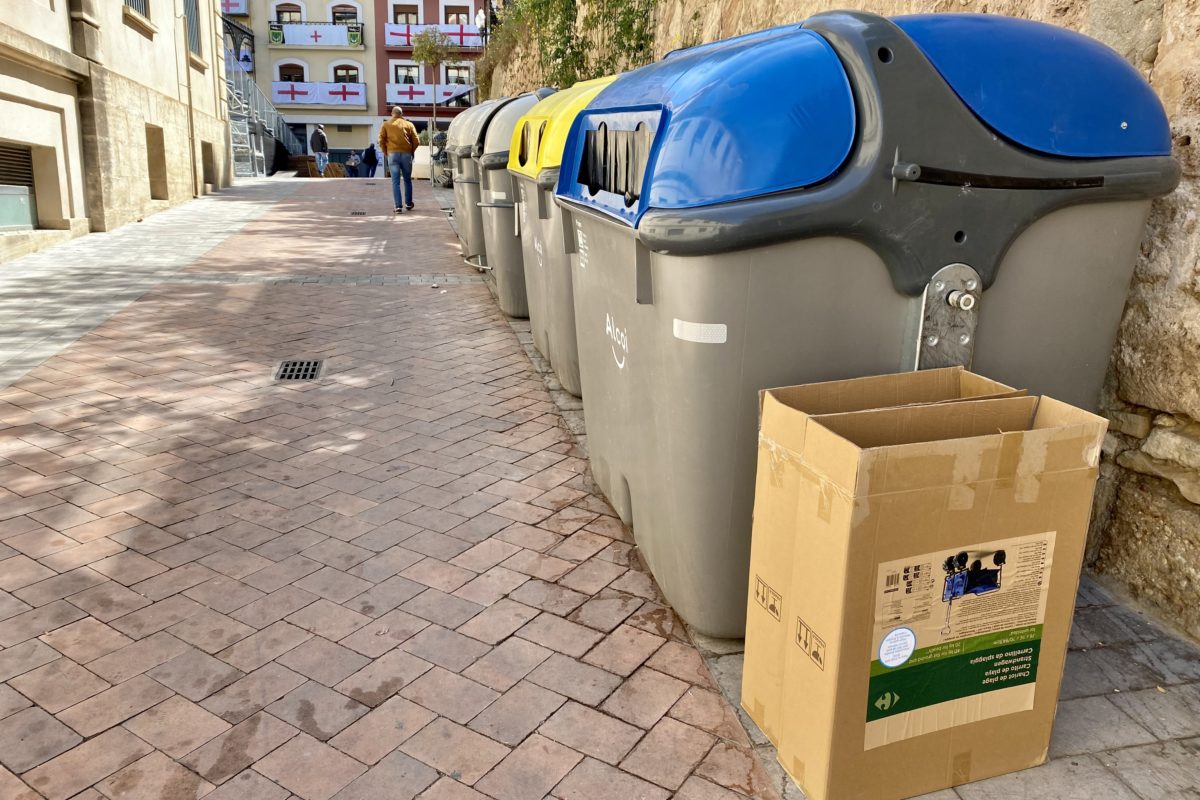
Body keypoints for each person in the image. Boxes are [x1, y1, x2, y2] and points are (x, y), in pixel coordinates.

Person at [379, 106, 419, 213]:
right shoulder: (409, 124)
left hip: (392, 154)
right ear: (401, 114)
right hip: (406, 154)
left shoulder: (386, 124)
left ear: (392, 113)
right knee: (407, 180)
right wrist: (411, 151)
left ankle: (398, 206)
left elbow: (381, 140)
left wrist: (386, 152)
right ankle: (409, 204)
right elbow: (416, 140)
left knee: (395, 181)